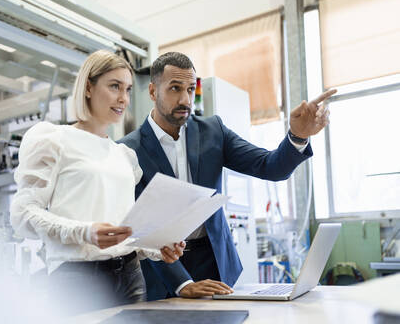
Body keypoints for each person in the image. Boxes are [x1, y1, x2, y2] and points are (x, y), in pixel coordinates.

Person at [119, 52, 336, 301]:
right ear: (153, 92)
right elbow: (136, 229)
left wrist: (297, 136)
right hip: (161, 271)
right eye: (175, 88)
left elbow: (270, 167)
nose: (184, 99)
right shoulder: (127, 150)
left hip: (214, 261)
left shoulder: (214, 131)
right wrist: (183, 283)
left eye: (190, 89)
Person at [10, 50, 185, 314]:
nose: (123, 99)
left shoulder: (124, 155)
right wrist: (86, 232)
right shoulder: (53, 139)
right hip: (77, 280)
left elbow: (125, 230)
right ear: (88, 87)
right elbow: (22, 215)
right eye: (114, 86)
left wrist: (157, 247)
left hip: (131, 276)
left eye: (127, 89)